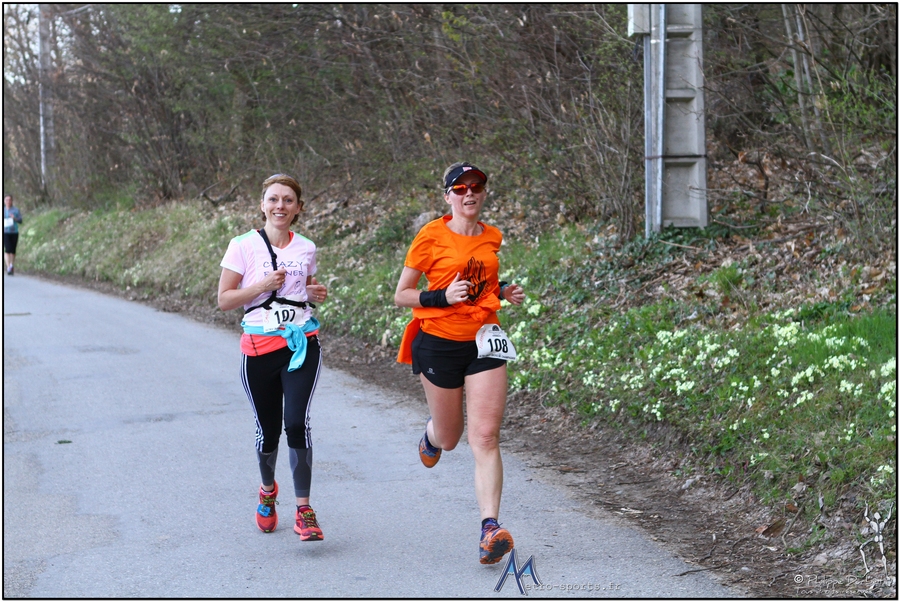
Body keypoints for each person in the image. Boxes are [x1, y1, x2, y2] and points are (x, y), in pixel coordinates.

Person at [394, 162, 526, 565]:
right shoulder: (430, 236)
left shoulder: (492, 236)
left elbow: (481, 282)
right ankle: (432, 436)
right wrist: (441, 298)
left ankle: (490, 529)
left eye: (476, 186)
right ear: (448, 196)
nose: (469, 193)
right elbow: (402, 294)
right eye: (460, 188)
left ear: (484, 193)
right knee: (450, 438)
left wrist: (503, 290)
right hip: (439, 344)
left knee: (485, 436)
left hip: (485, 342)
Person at [217, 173, 329, 542]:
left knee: (296, 423)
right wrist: (262, 286)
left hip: (300, 344)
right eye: (273, 199)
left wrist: (315, 293)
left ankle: (304, 510)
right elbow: (224, 300)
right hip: (258, 349)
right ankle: (267, 492)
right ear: (263, 205)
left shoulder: (306, 248)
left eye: (288, 200)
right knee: (268, 431)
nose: (280, 206)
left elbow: (305, 291)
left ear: (298, 208)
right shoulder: (242, 245)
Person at [4, 194, 23, 276]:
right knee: (7, 249)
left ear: (12, 201)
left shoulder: (16, 210)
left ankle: (11, 265)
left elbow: (20, 220)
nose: (8, 201)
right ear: (4, 201)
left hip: (14, 232)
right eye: (6, 200)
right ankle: (8, 267)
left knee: (13, 250)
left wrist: (14, 218)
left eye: (9, 200)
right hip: (5, 232)